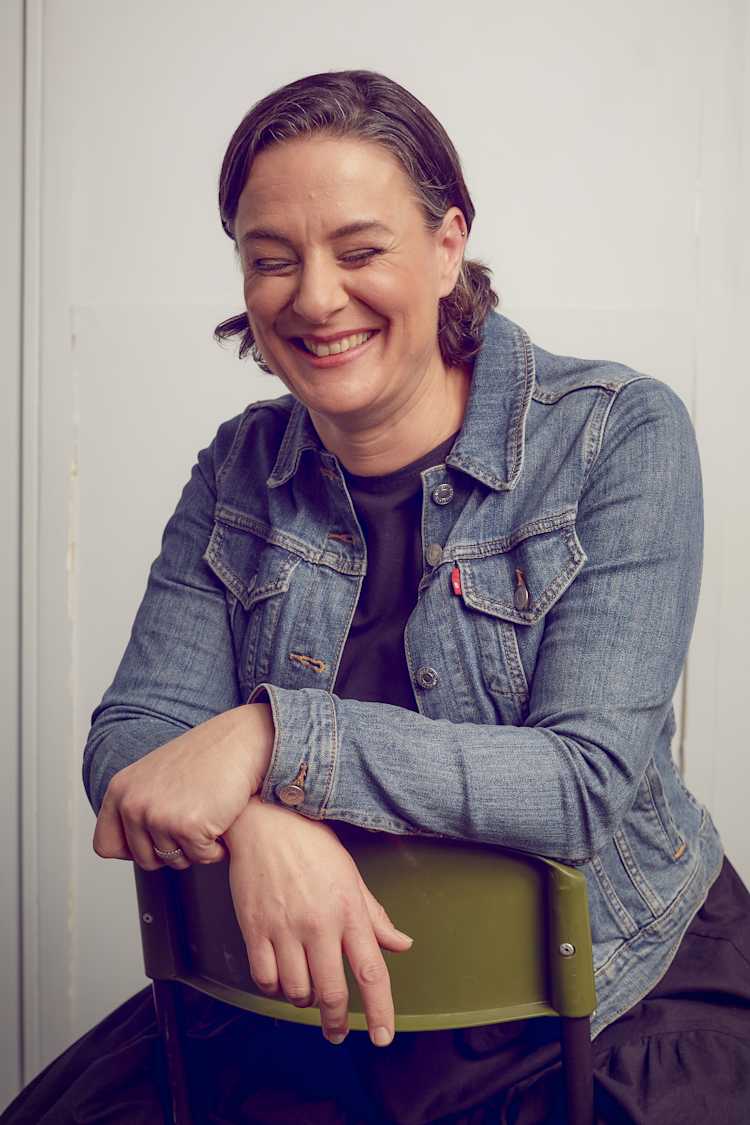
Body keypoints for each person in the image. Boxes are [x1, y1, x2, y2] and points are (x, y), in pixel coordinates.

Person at [3, 68, 749, 1125]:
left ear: (447, 247)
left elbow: (581, 784)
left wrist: (270, 741)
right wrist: (260, 823)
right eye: (273, 259)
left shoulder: (618, 435)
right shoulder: (237, 469)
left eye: (359, 251)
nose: (314, 298)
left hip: (601, 998)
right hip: (307, 993)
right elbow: (134, 743)